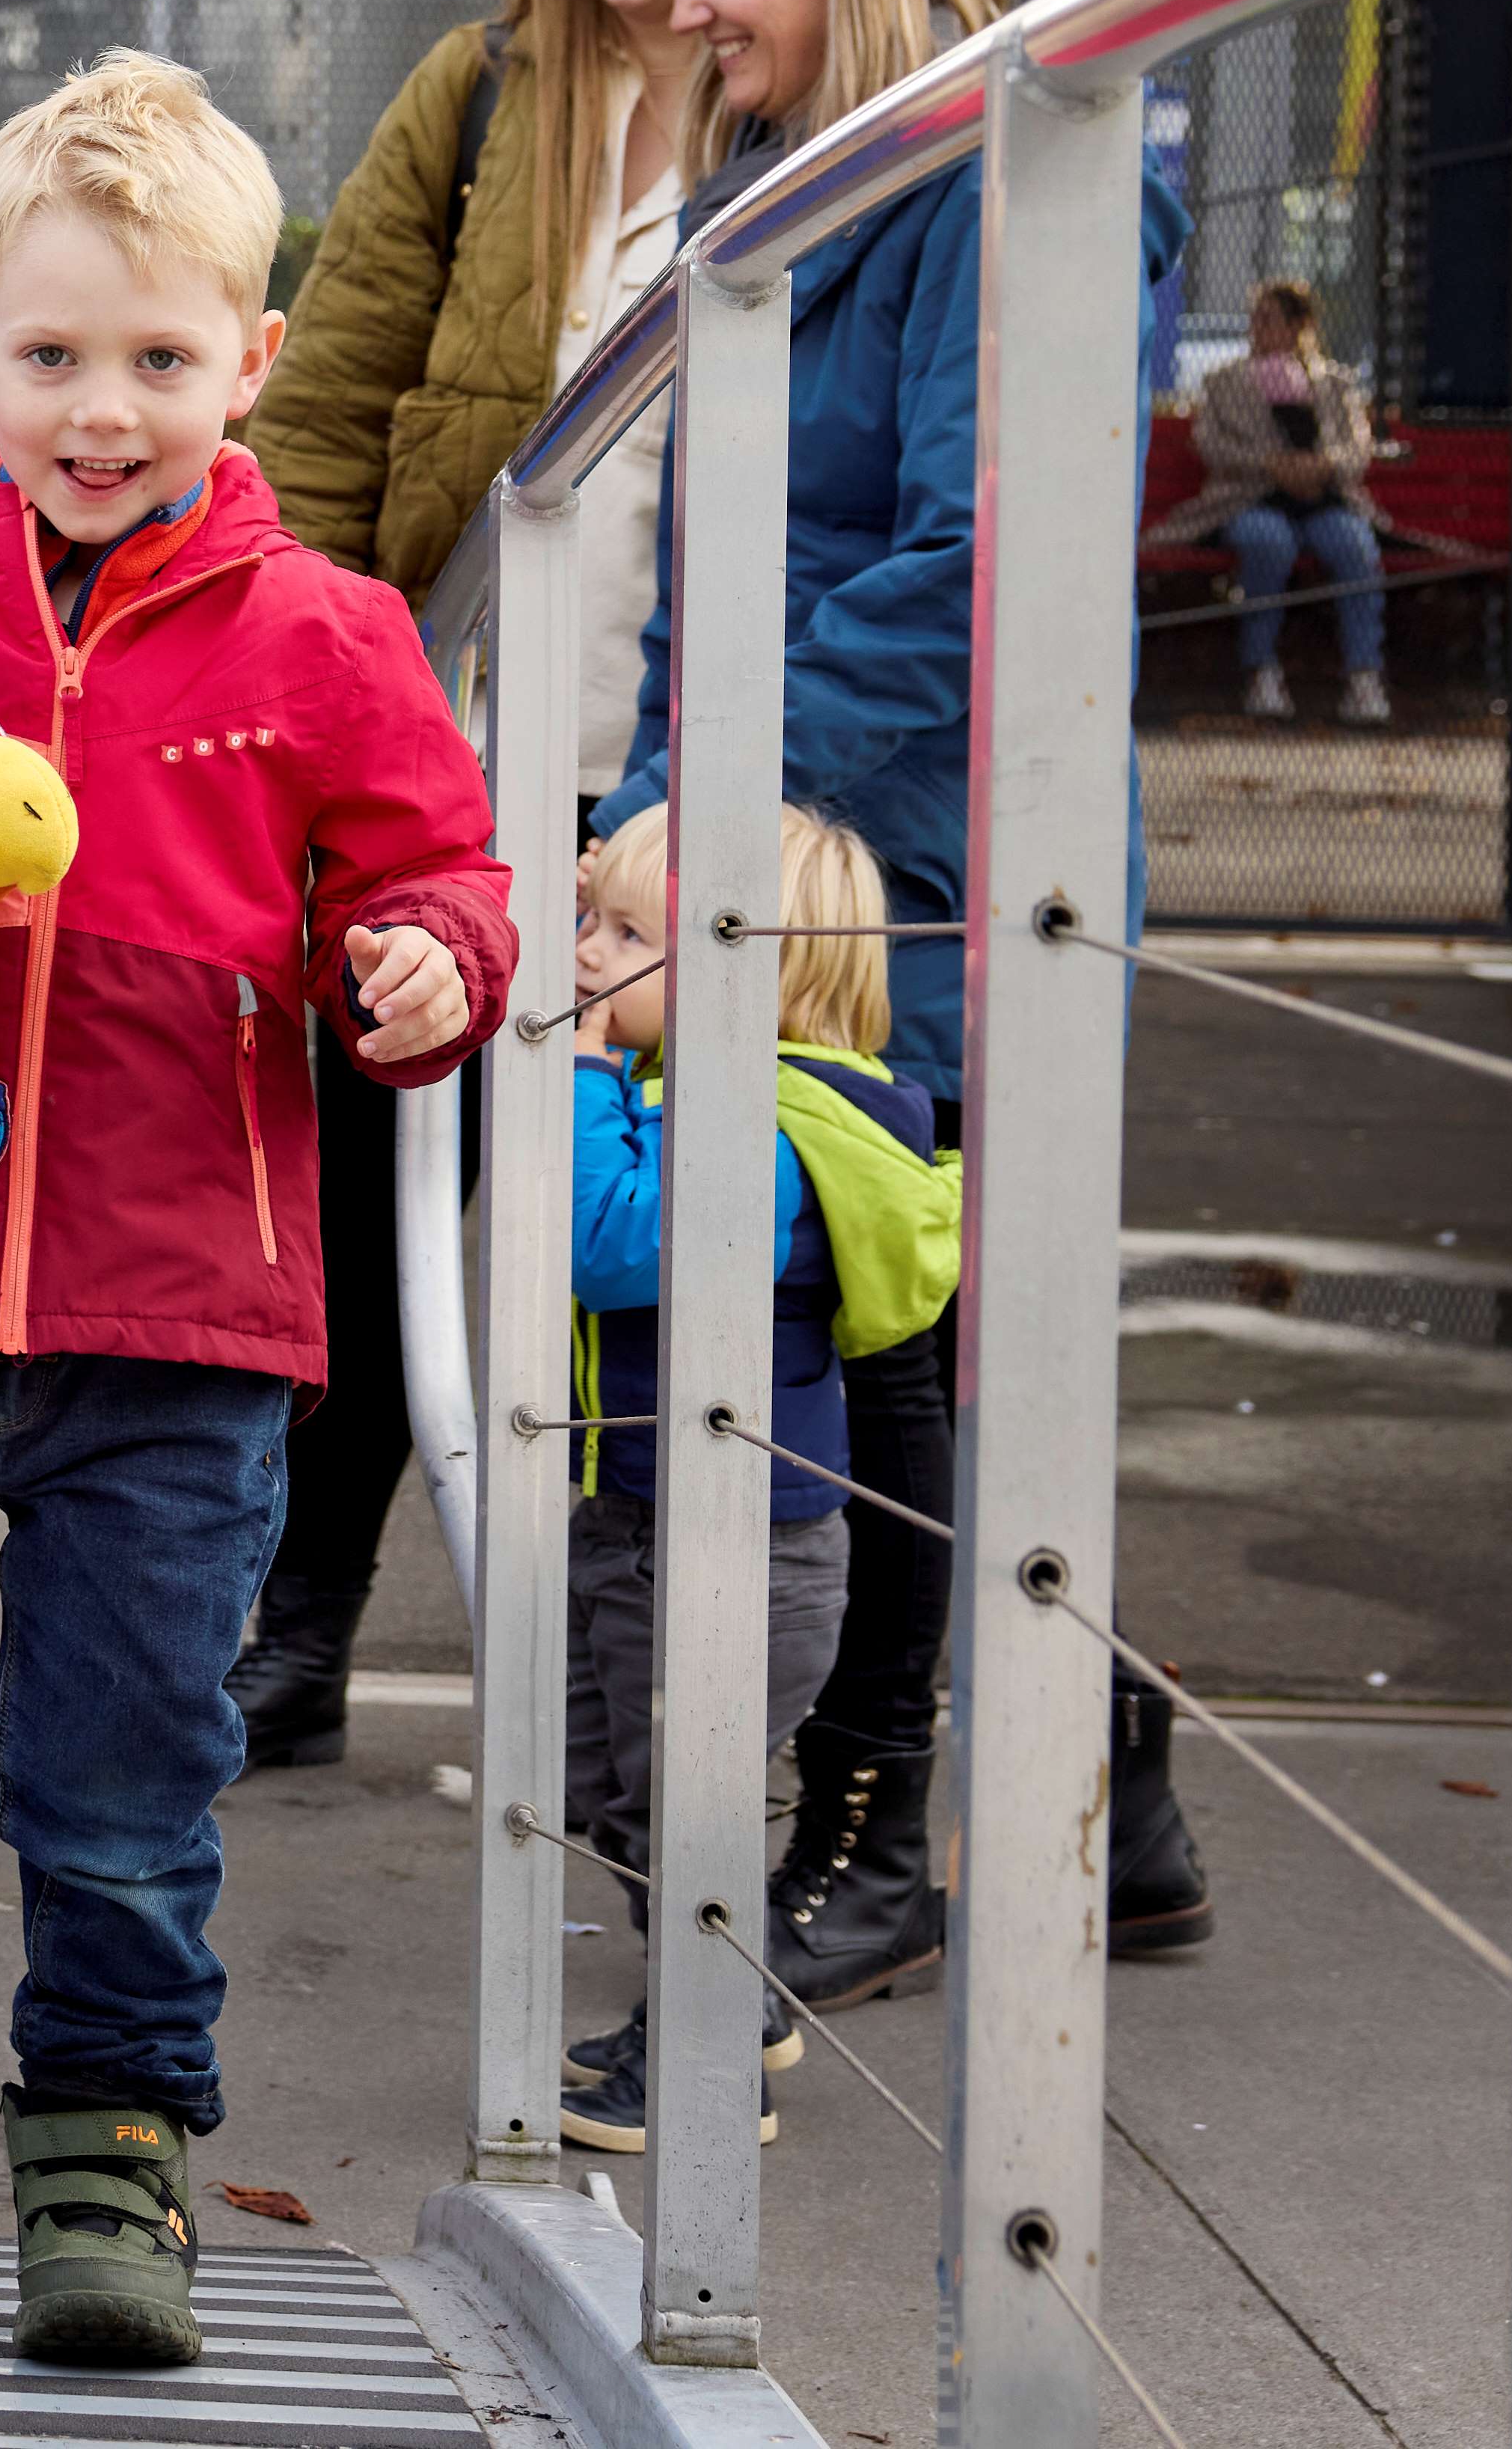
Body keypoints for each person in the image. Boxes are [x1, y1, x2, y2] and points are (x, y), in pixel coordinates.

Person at [0, 55, 511, 2372]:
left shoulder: (322, 634)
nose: (100, 409)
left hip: (179, 1320)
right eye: (49, 358)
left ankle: (109, 2139)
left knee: (127, 1782)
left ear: (251, 361)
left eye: (157, 360)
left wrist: (430, 962)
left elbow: (435, 869)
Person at [607, 0, 1204, 2011]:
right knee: (918, 1326)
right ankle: (1106, 1783)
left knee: (900, 1341)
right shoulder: (799, 178)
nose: (686, 9)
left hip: (935, 872)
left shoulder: (997, 177)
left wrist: (705, 786)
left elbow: (993, 559)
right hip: (824, 843)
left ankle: (885, 1826)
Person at [219, 0, 775, 1776]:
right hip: (458, 750)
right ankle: (302, 1625)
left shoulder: (801, 95)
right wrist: (309, 729)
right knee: (370, 1197)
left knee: (658, 1216)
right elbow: (332, 410)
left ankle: (659, 1684)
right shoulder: (480, 98)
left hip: (691, 767)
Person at [548, 797, 953, 2153]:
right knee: (626, 1789)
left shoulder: (766, 1132)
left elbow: (610, 1244)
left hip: (734, 1547)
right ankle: (730, 1991)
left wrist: (579, 1073)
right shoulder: (714, 1100)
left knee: (682, 1803)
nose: (588, 954)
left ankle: (706, 2064)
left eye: (626, 933)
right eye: (589, 919)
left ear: (752, 970)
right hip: (651, 1512)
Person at [1199, 276, 1389, 724]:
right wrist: (1269, 463)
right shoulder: (1224, 382)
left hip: (1323, 501)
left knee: (1355, 546)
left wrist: (1321, 466)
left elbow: (1357, 451)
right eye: (1254, 320)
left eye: (1267, 320)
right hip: (1252, 498)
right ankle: (1261, 671)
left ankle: (1364, 676)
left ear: (1298, 326)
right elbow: (1208, 443)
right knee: (1268, 542)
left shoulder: (1336, 385)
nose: (1256, 330)